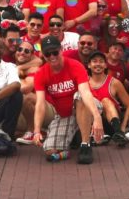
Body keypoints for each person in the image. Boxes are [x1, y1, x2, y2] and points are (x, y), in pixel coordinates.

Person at [31, 35, 104, 164]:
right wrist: (36, 130)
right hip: (65, 114)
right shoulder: (40, 74)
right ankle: (75, 137)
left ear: (61, 50)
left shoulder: (75, 66)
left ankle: (85, 145)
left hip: (89, 106)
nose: (52, 56)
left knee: (79, 96)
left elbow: (85, 92)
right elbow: (40, 104)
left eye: (55, 52)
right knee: (49, 150)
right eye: (48, 54)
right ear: (43, 55)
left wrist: (97, 117)